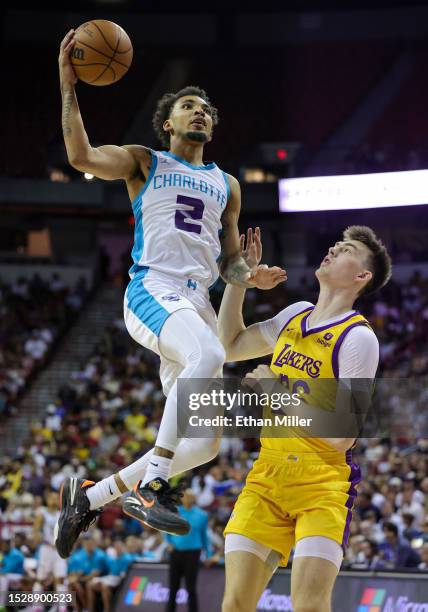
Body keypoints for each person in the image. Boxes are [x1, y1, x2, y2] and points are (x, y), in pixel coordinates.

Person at [55, 30, 286, 559]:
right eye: (188, 106)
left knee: (203, 444)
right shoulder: (144, 160)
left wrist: (246, 274)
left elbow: (227, 261)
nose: (199, 113)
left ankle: (90, 497)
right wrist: (69, 86)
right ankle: (153, 485)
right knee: (209, 354)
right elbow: (81, 155)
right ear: (169, 124)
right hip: (154, 289)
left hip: (197, 304)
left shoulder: (228, 184)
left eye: (205, 108)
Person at [218, 226, 392, 612]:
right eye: (335, 244)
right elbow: (229, 346)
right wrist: (240, 280)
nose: (332, 248)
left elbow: (343, 436)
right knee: (234, 605)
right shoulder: (296, 314)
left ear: (361, 276)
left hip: (323, 482)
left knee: (309, 605)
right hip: (267, 474)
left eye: (344, 249)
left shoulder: (358, 338)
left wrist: (277, 395)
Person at [165, 489, 211, 612]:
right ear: (182, 497)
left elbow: (204, 536)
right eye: (187, 496)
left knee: (191, 588)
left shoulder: (202, 515)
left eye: (192, 496)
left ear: (194, 498)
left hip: (193, 554)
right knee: (173, 587)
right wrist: (168, 543)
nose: (189, 498)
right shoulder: (175, 512)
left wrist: (208, 554)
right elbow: (166, 528)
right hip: (176, 552)